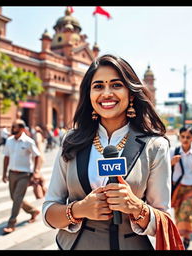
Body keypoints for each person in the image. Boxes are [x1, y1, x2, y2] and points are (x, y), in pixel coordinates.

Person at [42, 54, 184, 250]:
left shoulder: (155, 146)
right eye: (98, 86)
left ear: (131, 94)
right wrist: (79, 209)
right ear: (89, 95)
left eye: (116, 85)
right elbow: (49, 212)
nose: (106, 93)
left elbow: (163, 221)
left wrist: (135, 207)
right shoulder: (71, 141)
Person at [2, 119, 41, 234]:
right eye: (12, 127)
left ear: (22, 129)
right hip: (12, 173)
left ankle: (11, 223)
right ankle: (33, 211)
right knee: (14, 197)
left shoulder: (28, 141)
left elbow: (37, 156)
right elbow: (6, 157)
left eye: (14, 127)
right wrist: (4, 173)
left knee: (17, 198)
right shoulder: (9, 140)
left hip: (24, 175)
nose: (12, 129)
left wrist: (36, 171)